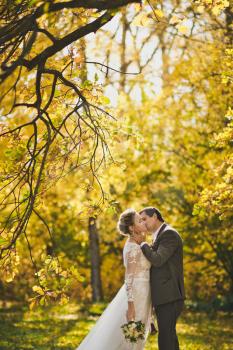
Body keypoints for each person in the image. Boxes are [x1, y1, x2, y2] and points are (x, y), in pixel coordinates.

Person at [76, 208, 152, 350]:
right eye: (139, 220)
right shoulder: (132, 248)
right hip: (136, 294)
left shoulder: (138, 244)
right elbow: (129, 277)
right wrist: (130, 305)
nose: (143, 222)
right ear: (132, 227)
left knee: (137, 334)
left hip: (144, 293)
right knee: (131, 335)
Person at [134, 207, 185, 350]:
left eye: (144, 219)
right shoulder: (159, 235)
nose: (143, 223)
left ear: (155, 216)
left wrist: (143, 244)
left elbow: (158, 260)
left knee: (166, 339)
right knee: (168, 337)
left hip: (170, 295)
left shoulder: (169, 234)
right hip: (164, 295)